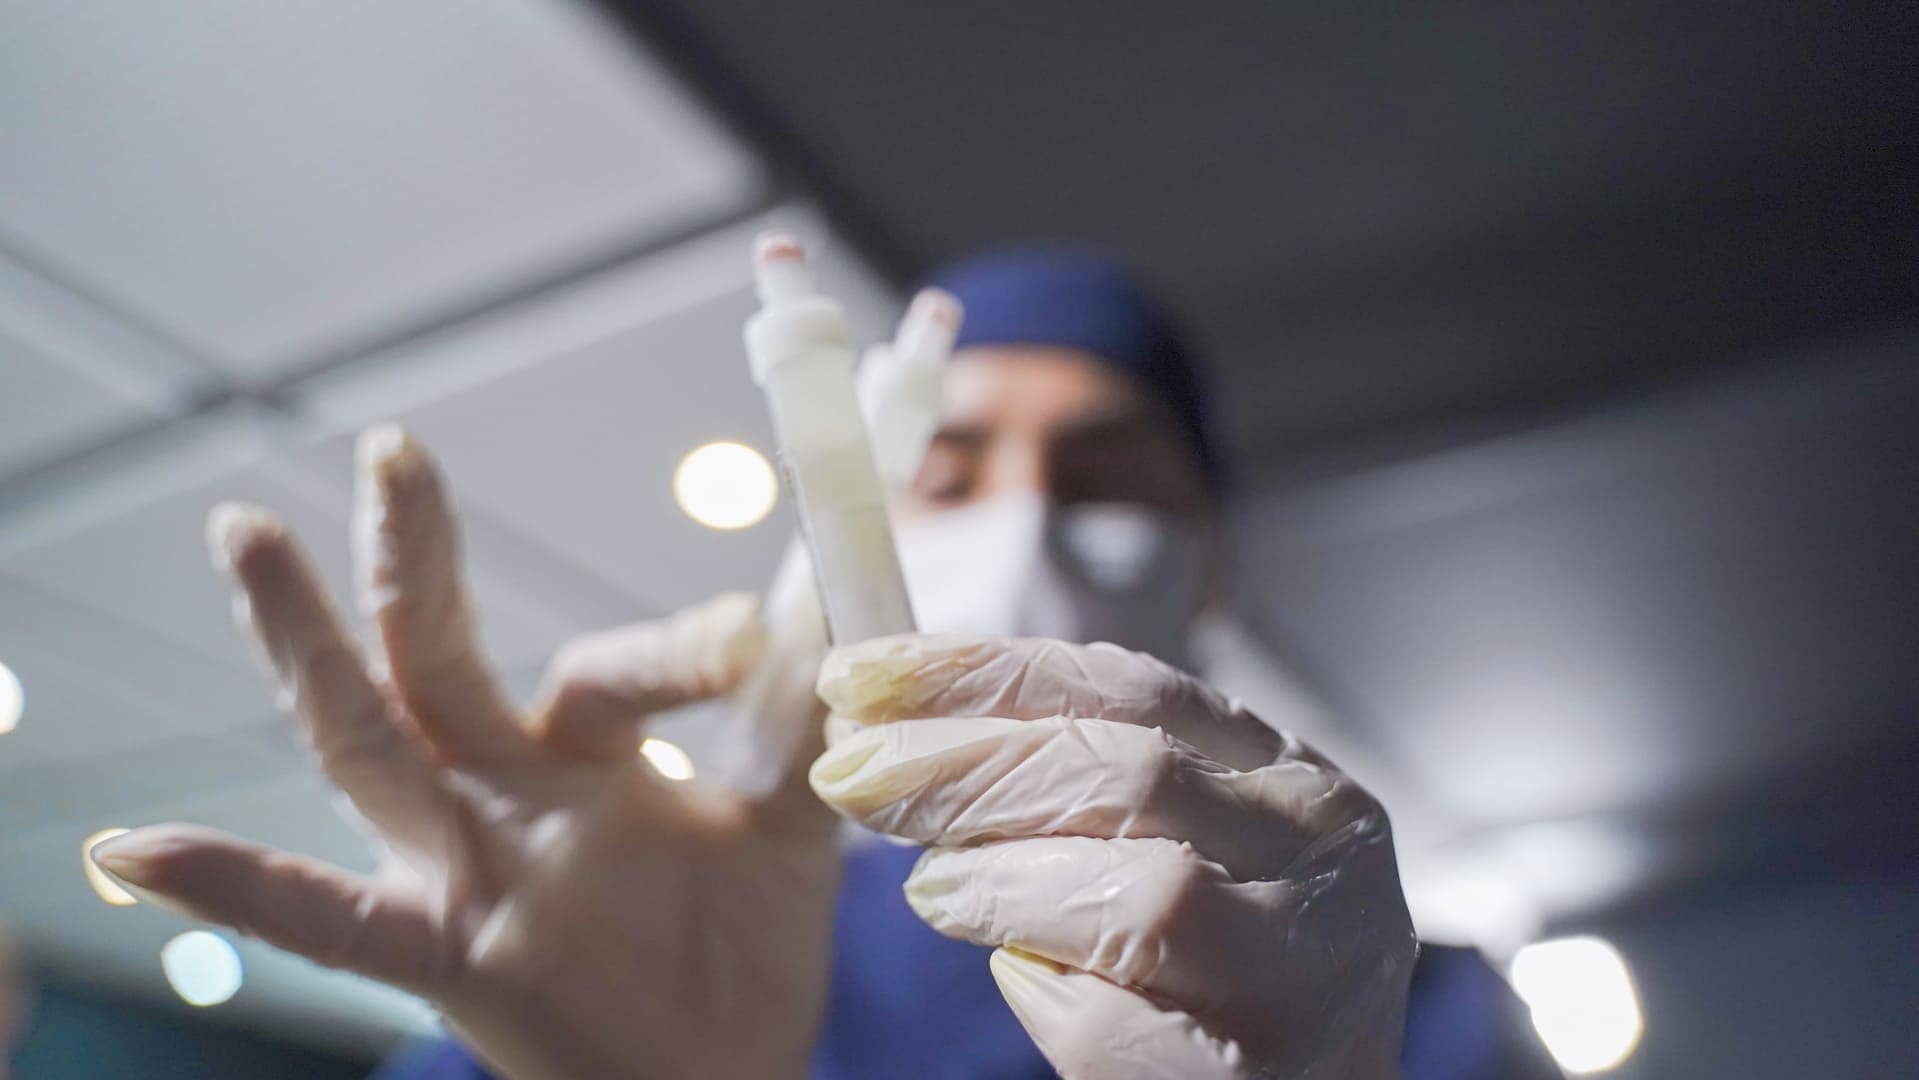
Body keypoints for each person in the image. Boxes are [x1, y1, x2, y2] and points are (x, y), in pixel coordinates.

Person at [90, 250, 1554, 1078]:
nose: (1025, 520)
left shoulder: (1402, 1005)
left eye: (1103, 476)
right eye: (949, 471)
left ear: (1214, 559)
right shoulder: (654, 941)